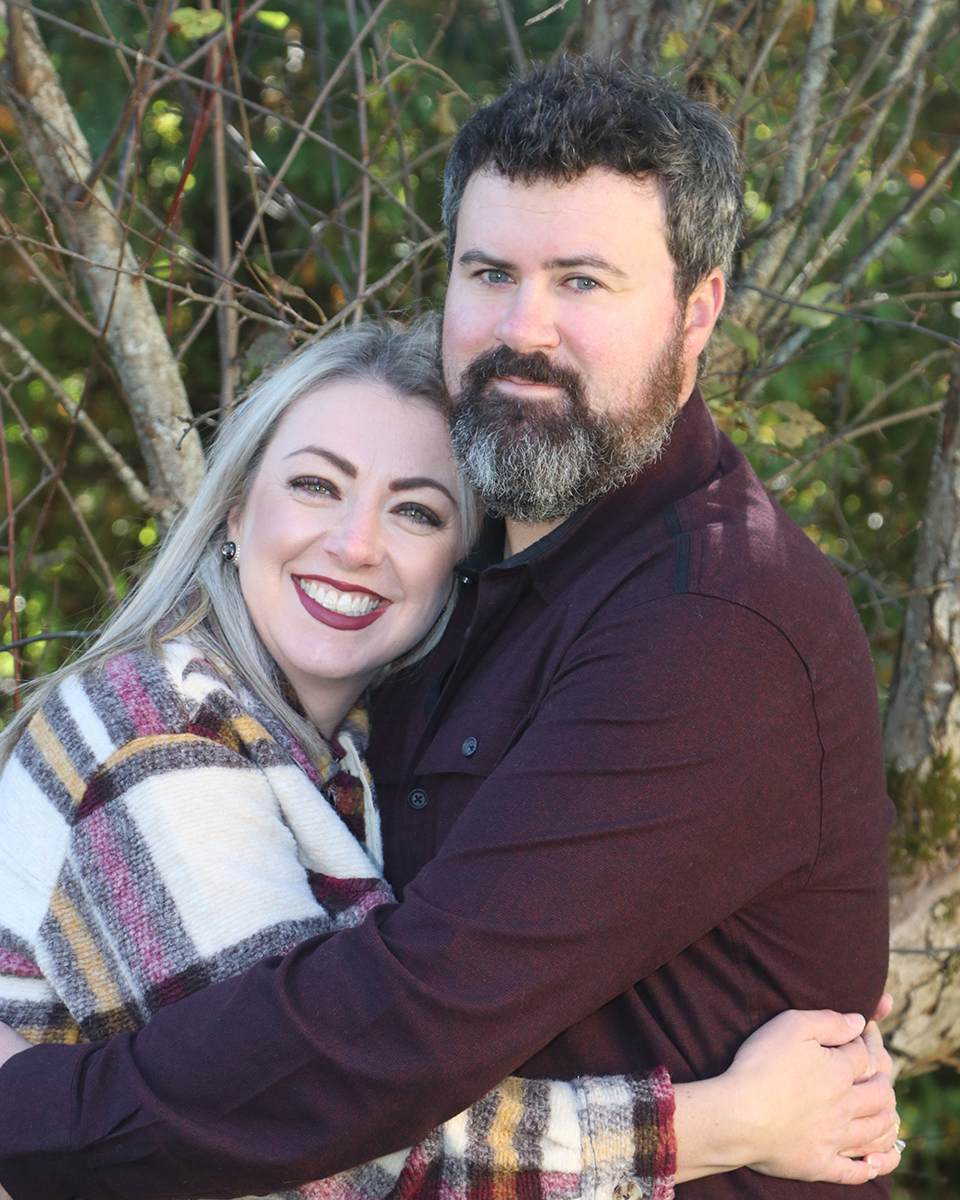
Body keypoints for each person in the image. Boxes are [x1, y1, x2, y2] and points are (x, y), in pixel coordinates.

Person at [0, 59, 897, 1199]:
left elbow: (400, 1028)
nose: (524, 329)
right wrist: (718, 1122)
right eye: (490, 272)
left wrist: (28, 1118)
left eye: (582, 280)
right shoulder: (442, 600)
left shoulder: (713, 624)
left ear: (697, 311)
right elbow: (363, 1075)